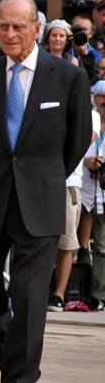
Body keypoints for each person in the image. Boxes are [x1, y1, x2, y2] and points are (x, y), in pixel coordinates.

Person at [0, 0, 91, 383]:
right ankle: (20, 365)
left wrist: (45, 178)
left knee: (29, 296)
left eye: (19, 27)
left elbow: (76, 142)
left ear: (37, 29)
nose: (11, 35)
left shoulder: (67, 77)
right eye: (3, 27)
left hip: (39, 199)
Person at [81, 81, 105, 309]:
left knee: (102, 247)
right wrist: (86, 161)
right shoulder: (85, 119)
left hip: (103, 193)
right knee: (76, 245)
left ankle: (100, 294)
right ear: (94, 98)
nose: (104, 100)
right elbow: (73, 148)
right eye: (101, 95)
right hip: (83, 188)